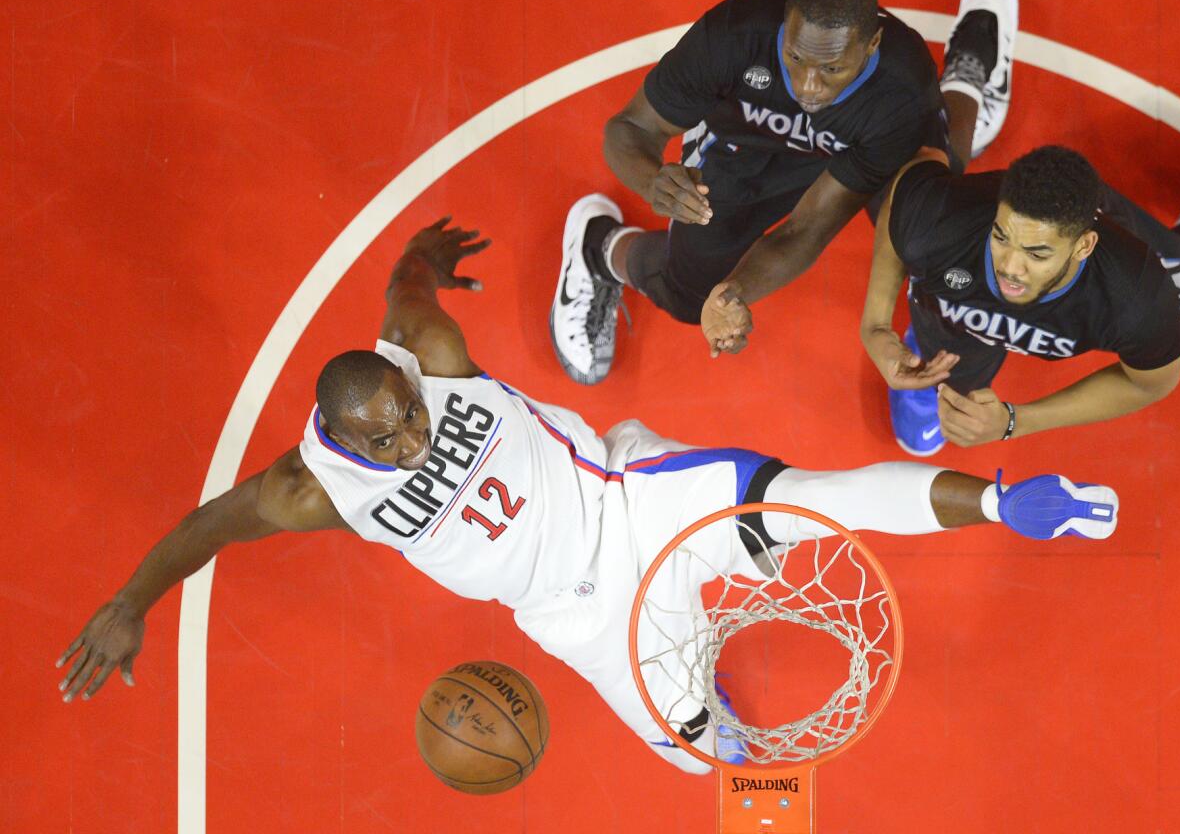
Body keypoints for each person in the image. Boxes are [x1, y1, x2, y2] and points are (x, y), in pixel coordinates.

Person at [59, 219, 1120, 775]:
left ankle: (999, 504)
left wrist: (428, 255)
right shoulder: (309, 490)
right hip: (577, 615)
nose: (420, 428)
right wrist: (127, 603)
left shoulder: (422, 353)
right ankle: (752, 781)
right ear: (347, 437)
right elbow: (206, 528)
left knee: (811, 503)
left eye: (417, 410)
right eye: (397, 432)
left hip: (629, 499)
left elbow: (408, 288)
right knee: (703, 752)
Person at [549, 0, 1019, 383]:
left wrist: (739, 288)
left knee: (932, 224)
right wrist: (654, 181)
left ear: (871, 44)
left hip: (857, 145)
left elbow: (807, 228)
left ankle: (971, 63)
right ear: (784, 29)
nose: (807, 87)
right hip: (741, 148)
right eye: (795, 59)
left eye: (832, 68)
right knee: (690, 297)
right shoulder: (736, 35)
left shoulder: (899, 90)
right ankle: (598, 248)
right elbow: (629, 128)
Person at [860, 122, 1180, 456]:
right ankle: (942, 372)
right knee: (947, 314)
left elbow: (1149, 385)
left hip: (1122, 252)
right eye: (1002, 238)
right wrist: (877, 326)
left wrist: (1014, 422)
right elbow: (905, 194)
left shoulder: (1137, 297)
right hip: (955, 314)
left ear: (1083, 246)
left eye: (1037, 253)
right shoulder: (941, 219)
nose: (1010, 268)